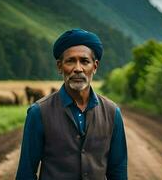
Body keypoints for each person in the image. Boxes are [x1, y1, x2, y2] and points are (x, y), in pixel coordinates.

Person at [16, 29, 127, 180]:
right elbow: (26, 173)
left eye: (84, 61)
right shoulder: (38, 112)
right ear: (59, 66)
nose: (78, 69)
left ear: (95, 66)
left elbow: (118, 171)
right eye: (70, 61)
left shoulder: (112, 112)